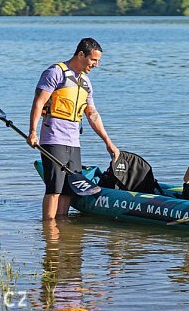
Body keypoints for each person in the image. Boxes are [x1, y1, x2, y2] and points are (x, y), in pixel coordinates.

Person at [28, 37, 120, 219]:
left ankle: (61, 228)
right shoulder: (55, 72)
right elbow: (38, 103)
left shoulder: (85, 82)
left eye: (98, 61)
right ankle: (49, 232)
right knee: (54, 189)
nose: (96, 65)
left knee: (70, 190)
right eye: (93, 60)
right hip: (53, 139)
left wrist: (108, 142)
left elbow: (92, 114)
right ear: (80, 54)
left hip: (74, 141)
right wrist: (32, 131)